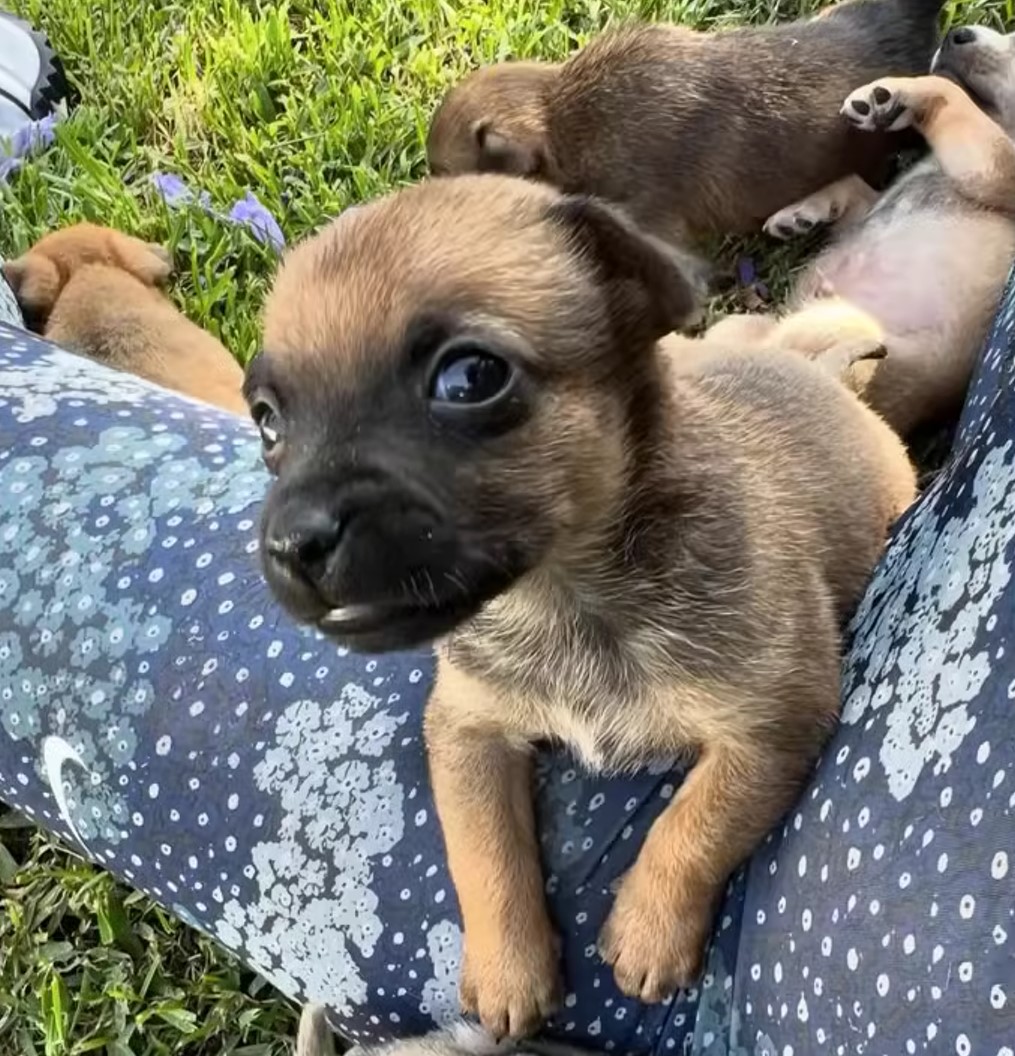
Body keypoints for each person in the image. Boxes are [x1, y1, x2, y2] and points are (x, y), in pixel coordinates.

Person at [0, 252, 1011, 1054]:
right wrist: (500, 921)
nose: (300, 515)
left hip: (820, 451)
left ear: (636, 305)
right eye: (275, 419)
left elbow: (780, 718)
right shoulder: (478, 603)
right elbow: (465, 727)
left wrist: (671, 878)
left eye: (466, 379)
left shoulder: (726, 585)